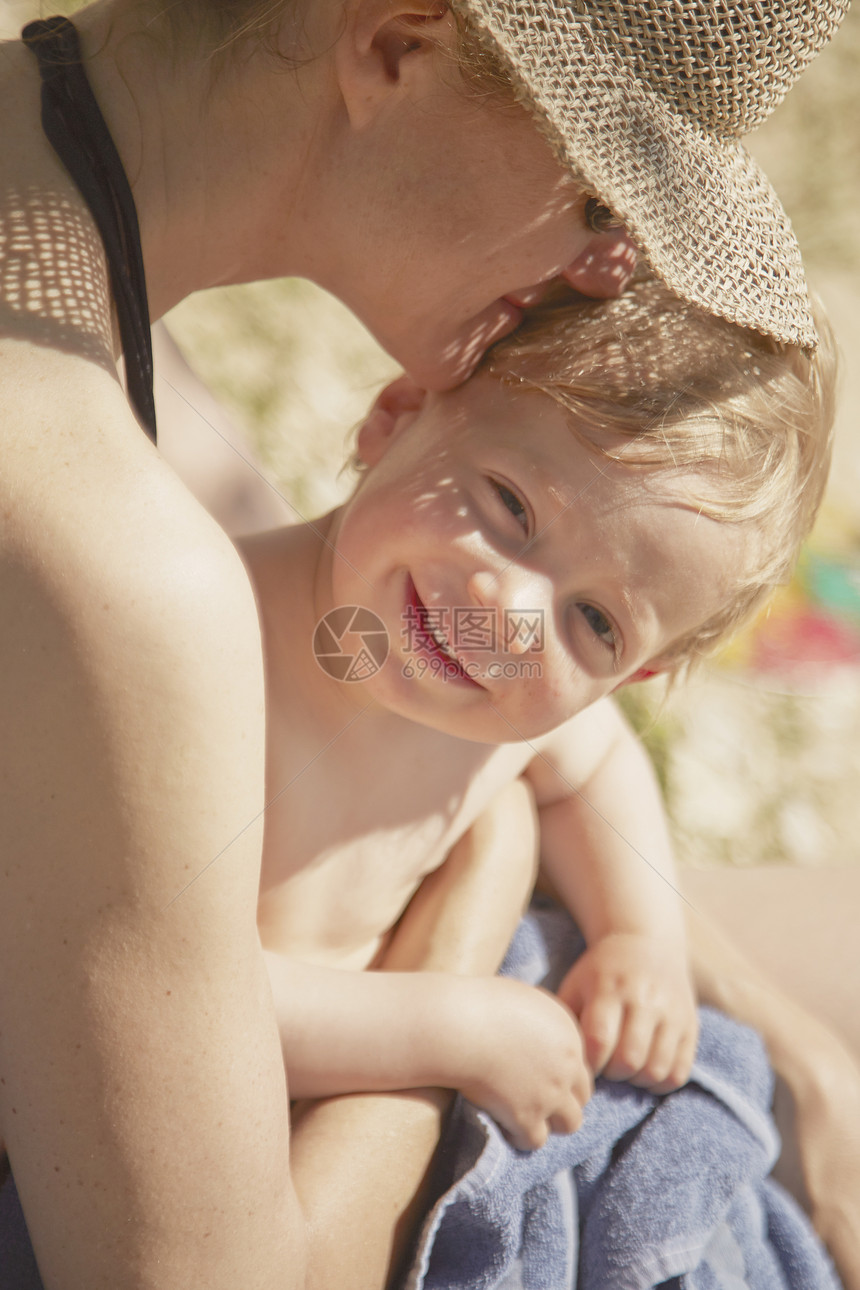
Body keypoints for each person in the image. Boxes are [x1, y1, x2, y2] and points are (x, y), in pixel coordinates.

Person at [0, 0, 850, 1286]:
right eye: (607, 203)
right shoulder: (127, 563)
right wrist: (465, 921)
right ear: (397, 42)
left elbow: (559, 755)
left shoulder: (89, 273)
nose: (607, 277)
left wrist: (736, 1006)